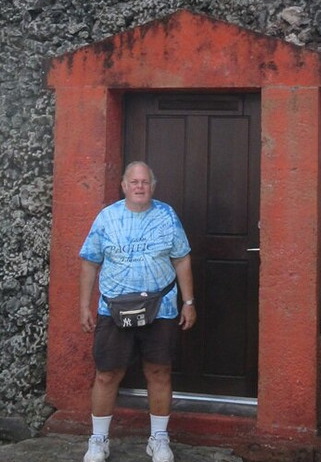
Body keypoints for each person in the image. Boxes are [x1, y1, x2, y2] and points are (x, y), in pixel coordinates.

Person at [78, 161, 197, 462]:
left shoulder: (167, 216)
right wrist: (84, 305)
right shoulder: (106, 218)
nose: (140, 187)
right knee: (107, 374)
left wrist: (189, 302)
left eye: (145, 182)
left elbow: (182, 259)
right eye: (134, 182)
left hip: (162, 309)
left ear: (153, 186)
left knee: (159, 371)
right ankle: (98, 441)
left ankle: (158, 439)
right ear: (124, 185)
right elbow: (90, 261)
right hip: (113, 309)